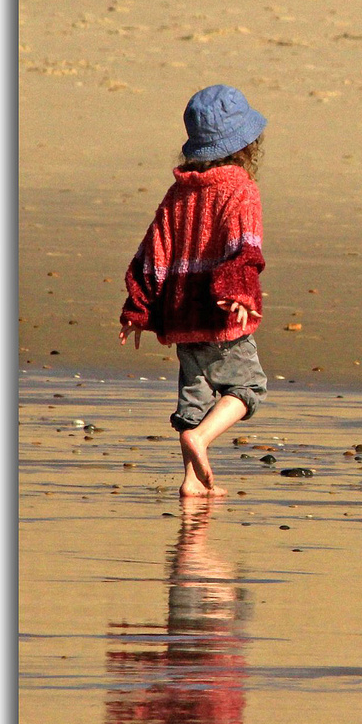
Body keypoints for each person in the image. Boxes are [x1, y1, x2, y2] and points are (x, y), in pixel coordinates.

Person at [120, 84, 269, 497]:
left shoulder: (178, 192)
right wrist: (238, 293)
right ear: (246, 144)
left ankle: (191, 481)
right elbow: (244, 249)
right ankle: (201, 439)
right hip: (222, 313)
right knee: (247, 388)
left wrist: (139, 307)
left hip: (182, 314)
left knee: (195, 395)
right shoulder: (241, 187)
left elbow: (153, 253)